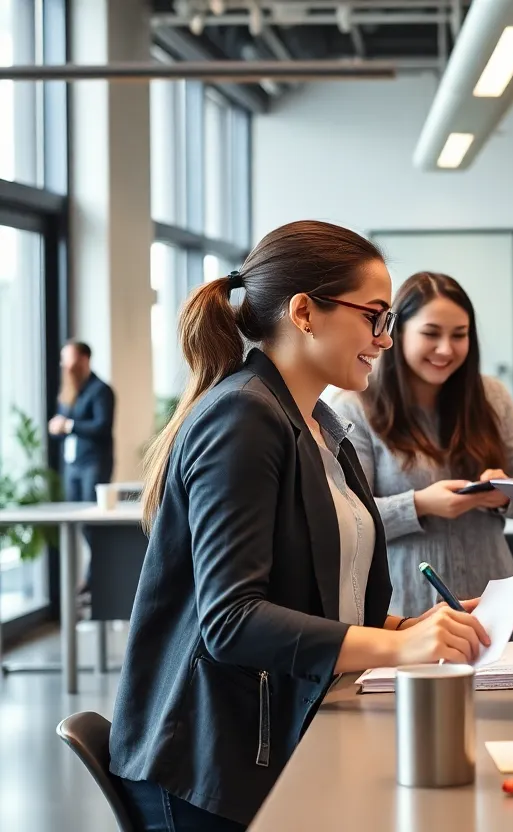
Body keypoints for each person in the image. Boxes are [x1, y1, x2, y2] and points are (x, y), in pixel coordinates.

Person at [108, 221, 490, 832]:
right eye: (374, 317)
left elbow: (312, 598)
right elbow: (231, 622)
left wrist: (409, 626)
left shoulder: (317, 427)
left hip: (276, 739)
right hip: (212, 767)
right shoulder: (243, 416)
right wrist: (398, 648)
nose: (384, 339)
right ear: (305, 313)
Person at [333, 272, 513, 616]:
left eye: (459, 335)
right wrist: (419, 505)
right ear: (398, 332)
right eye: (431, 334)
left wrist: (507, 495)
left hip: (493, 603)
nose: (446, 349)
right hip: (407, 611)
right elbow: (347, 520)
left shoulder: (492, 396)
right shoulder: (355, 407)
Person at [49, 340, 115, 502]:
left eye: (69, 359)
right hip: (71, 464)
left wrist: (69, 425)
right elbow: (62, 427)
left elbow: (102, 426)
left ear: (84, 359)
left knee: (90, 513)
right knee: (72, 511)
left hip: (93, 464)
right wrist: (56, 427)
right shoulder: (68, 391)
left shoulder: (101, 390)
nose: (65, 365)